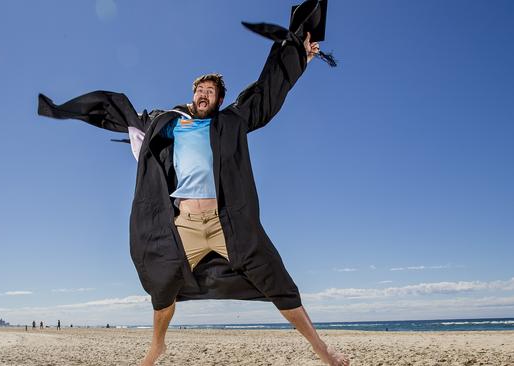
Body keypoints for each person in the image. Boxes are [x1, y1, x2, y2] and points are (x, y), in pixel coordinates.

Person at [38, 2, 349, 365]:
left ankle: (321, 348)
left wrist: (300, 57)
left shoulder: (230, 123)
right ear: (193, 94)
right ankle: (157, 345)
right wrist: (68, 110)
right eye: (200, 89)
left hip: (225, 224)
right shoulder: (168, 123)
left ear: (218, 100)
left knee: (278, 279)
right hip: (183, 224)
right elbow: (123, 115)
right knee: (162, 284)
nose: (204, 94)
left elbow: (266, 93)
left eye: (211, 92)